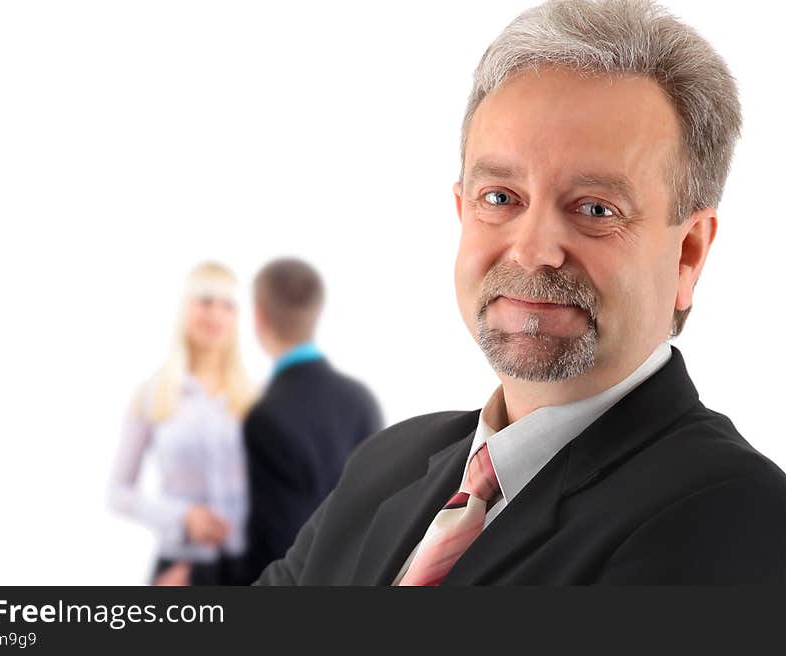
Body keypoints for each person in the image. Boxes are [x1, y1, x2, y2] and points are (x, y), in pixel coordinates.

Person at [254, 0, 786, 585]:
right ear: (462, 212)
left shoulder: (735, 515)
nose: (532, 250)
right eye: (501, 198)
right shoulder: (386, 466)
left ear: (688, 253)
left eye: (595, 208)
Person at [109, 262, 256, 585]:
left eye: (228, 305)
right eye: (205, 301)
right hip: (181, 568)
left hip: (252, 566)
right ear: (185, 309)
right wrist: (182, 517)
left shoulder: (255, 398)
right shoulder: (152, 394)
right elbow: (118, 492)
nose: (216, 314)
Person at [241, 257, 383, 583]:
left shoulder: (265, 417)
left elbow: (271, 543)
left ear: (259, 319)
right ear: (317, 312)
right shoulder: (360, 399)